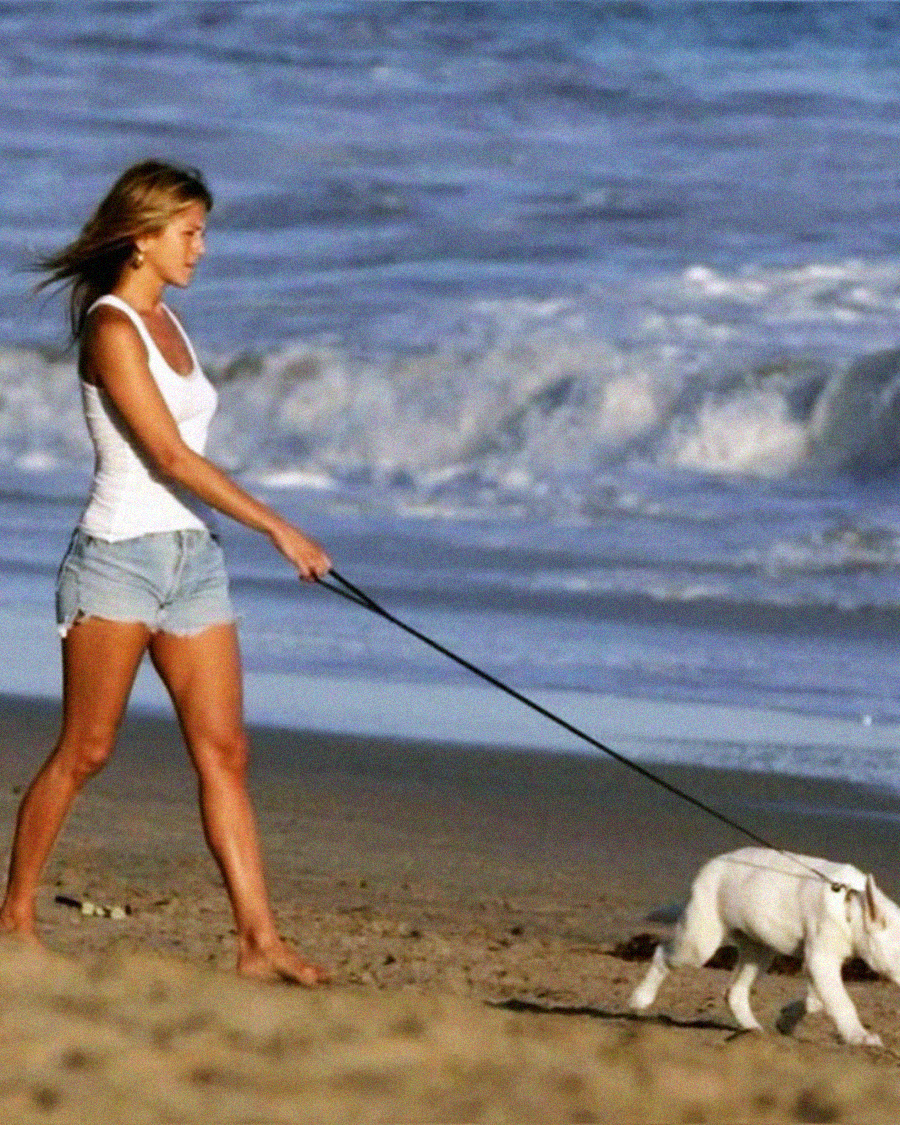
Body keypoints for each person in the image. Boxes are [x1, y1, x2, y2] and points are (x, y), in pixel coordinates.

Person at [0, 160, 332, 985]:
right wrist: (278, 526)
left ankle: (258, 942)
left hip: (193, 562)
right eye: (189, 232)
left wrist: (238, 530)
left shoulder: (171, 325)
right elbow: (170, 455)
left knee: (225, 752)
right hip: (117, 560)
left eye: (203, 231)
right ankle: (12, 916)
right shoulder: (112, 328)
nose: (202, 248)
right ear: (142, 238)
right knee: (88, 748)